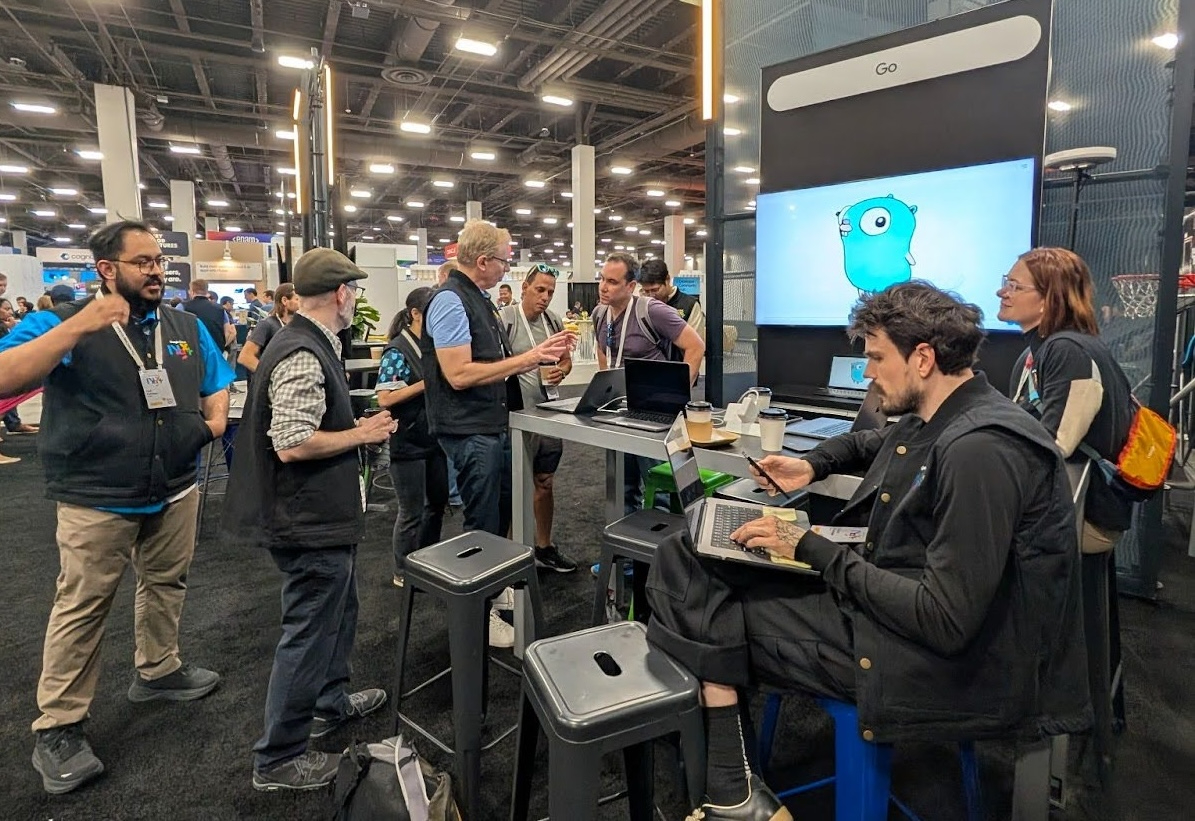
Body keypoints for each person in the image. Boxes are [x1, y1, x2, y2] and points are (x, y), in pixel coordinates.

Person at [645, 282, 1089, 820]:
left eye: (877, 358)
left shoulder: (980, 451)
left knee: (697, 600)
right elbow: (869, 442)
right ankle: (731, 779)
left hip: (941, 662)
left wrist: (810, 548)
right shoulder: (947, 413)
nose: (868, 373)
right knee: (685, 553)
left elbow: (945, 621)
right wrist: (812, 465)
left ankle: (726, 778)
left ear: (922, 358)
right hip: (894, 600)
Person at [0, 220, 235, 795]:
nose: (156, 271)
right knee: (82, 604)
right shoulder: (61, 321)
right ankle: (58, 725)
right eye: (143, 262)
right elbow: (6, 376)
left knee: (167, 581)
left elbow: (216, 378)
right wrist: (79, 326)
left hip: (174, 484)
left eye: (159, 261)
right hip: (96, 494)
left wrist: (212, 423)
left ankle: (158, 668)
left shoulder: (183, 325)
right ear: (106, 269)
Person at [221, 248, 391, 792]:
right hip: (306, 519)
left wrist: (353, 429)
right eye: (354, 291)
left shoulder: (307, 341)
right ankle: (278, 757)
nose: (356, 299)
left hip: (321, 515)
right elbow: (292, 443)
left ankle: (329, 700)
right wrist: (361, 434)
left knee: (337, 611)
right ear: (341, 294)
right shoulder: (302, 351)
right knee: (310, 629)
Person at [421, 219, 573, 648]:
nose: (507, 268)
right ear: (484, 261)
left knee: (502, 510)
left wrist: (541, 360)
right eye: (505, 260)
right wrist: (528, 359)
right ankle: (478, 609)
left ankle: (491, 585)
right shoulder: (450, 300)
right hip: (469, 428)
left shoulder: (479, 300)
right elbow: (458, 374)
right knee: (482, 521)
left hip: (491, 425)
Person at [998, 247, 1136, 553]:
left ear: (1049, 299)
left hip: (1086, 512)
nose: (1002, 292)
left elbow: (1056, 445)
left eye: (1015, 286)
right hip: (1064, 501)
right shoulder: (1043, 350)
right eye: (1006, 282)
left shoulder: (1067, 351)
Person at [594, 252, 706, 513]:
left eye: (612, 281)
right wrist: (606, 386)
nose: (603, 287)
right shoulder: (600, 314)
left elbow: (695, 346)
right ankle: (625, 539)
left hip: (655, 415)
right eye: (602, 279)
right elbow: (603, 348)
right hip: (619, 413)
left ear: (631, 286)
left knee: (660, 489)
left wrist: (677, 395)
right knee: (621, 487)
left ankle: (666, 539)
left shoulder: (652, 310)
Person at [499, 263, 579, 573]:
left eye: (550, 292)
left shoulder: (553, 321)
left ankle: (544, 547)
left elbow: (566, 361)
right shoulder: (506, 319)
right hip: (515, 417)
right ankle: (510, 554)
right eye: (540, 290)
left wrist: (562, 372)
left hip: (548, 413)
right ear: (525, 288)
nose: (545, 297)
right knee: (512, 487)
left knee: (544, 482)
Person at [378, 288, 449, 586]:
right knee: (411, 511)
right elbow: (385, 398)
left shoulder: (433, 346)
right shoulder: (398, 349)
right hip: (407, 442)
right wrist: (428, 383)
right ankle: (402, 571)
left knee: (437, 504)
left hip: (434, 438)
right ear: (415, 314)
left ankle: (427, 561)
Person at [638, 258, 706, 362]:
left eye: (655, 290)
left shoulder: (689, 305)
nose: (651, 295)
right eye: (646, 291)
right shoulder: (642, 305)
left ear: (667, 279)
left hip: (677, 366)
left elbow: (696, 346)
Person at [238, 283, 298, 374]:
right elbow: (245, 357)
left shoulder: (298, 325)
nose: (301, 303)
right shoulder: (267, 324)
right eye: (297, 299)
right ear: (285, 300)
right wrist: (270, 375)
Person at [183, 278, 236, 352]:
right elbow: (228, 332)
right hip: (215, 352)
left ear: (192, 291)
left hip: (192, 351)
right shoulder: (220, 309)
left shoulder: (182, 307)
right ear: (206, 291)